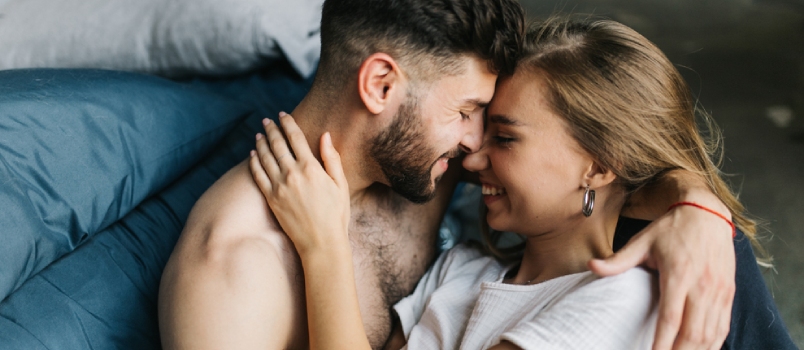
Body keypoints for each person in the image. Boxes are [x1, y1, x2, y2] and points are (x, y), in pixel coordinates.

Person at [157, 1, 739, 349]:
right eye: (465, 113)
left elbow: (606, 154)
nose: (476, 144)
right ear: (381, 86)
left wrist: (700, 209)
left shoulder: (421, 162)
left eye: (490, 123)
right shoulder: (232, 269)